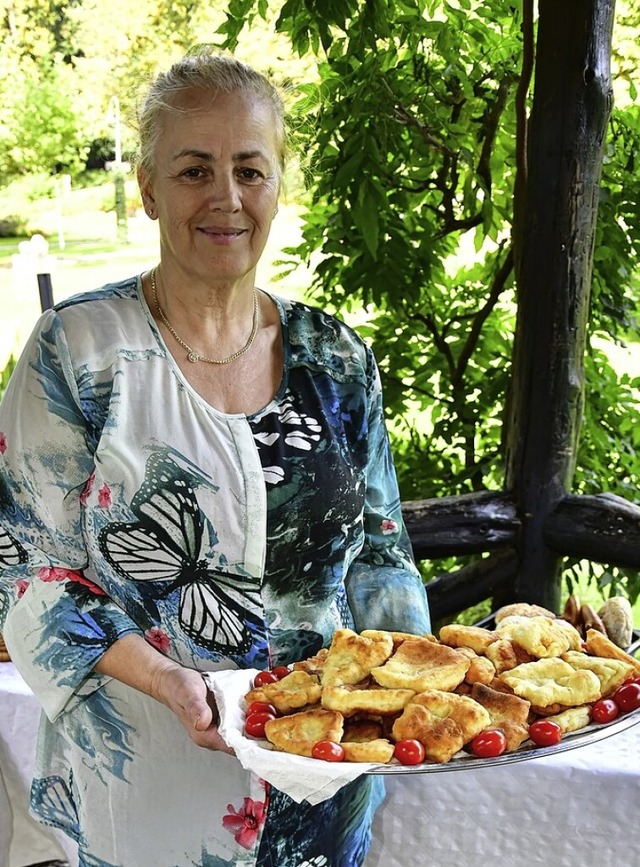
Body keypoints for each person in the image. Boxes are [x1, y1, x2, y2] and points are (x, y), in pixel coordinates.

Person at [0, 49, 431, 866]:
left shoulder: (336, 357)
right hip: (149, 778)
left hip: (326, 773)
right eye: (194, 170)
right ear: (148, 187)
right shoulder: (79, 351)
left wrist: (429, 673)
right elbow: (28, 571)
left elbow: (381, 551)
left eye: (249, 169)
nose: (225, 197)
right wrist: (168, 679)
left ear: (277, 184)